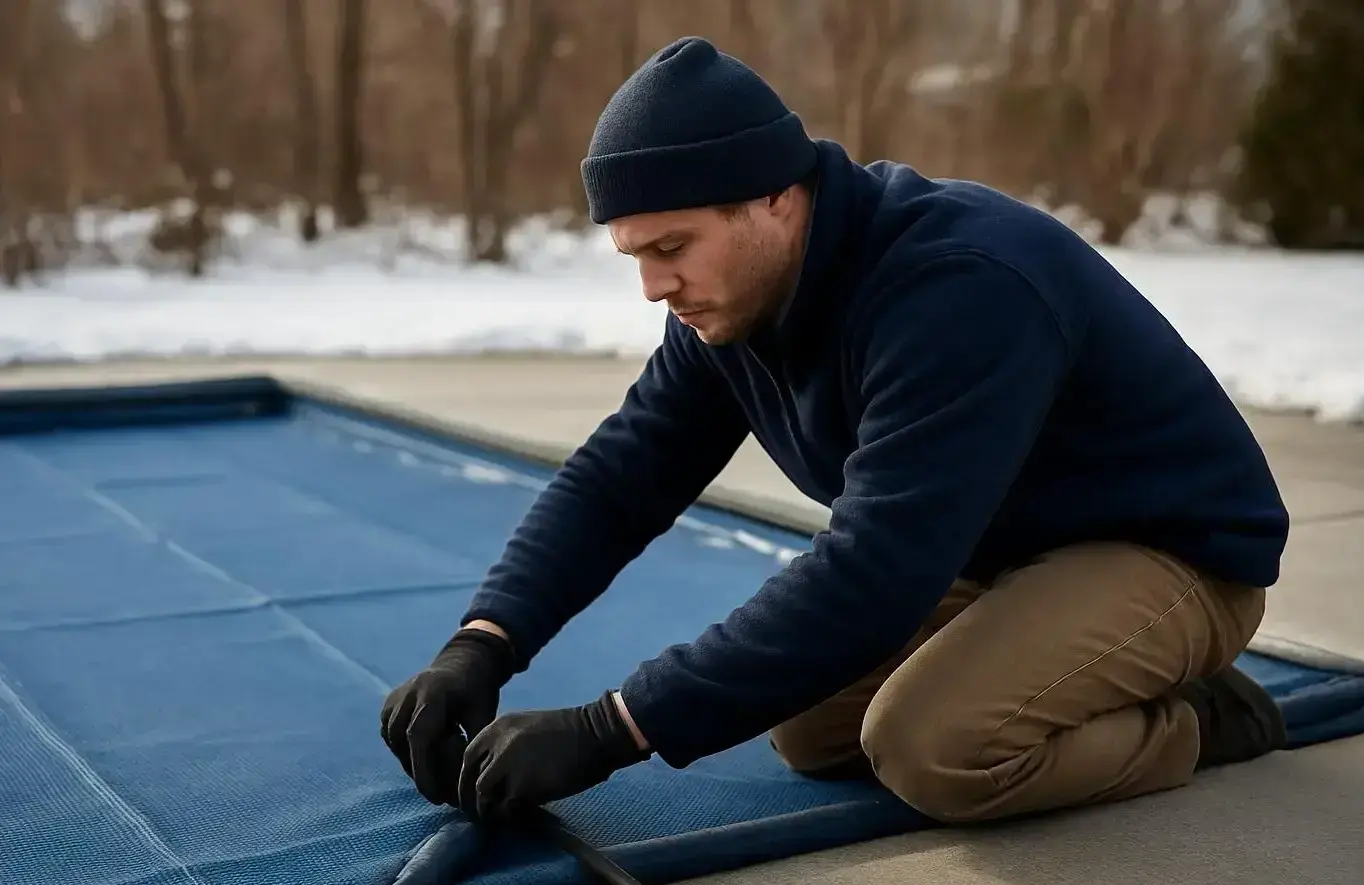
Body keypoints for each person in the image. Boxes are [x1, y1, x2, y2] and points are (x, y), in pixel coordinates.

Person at [380, 37, 1290, 826]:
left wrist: (610, 728)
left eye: (672, 247)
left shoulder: (959, 289)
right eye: (635, 256)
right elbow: (622, 476)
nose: (655, 288)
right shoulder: (734, 305)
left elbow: (872, 575)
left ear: (774, 196)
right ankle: (1058, 656)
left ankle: (1199, 717)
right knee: (812, 730)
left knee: (933, 747)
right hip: (1005, 551)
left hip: (1171, 553)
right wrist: (483, 642)